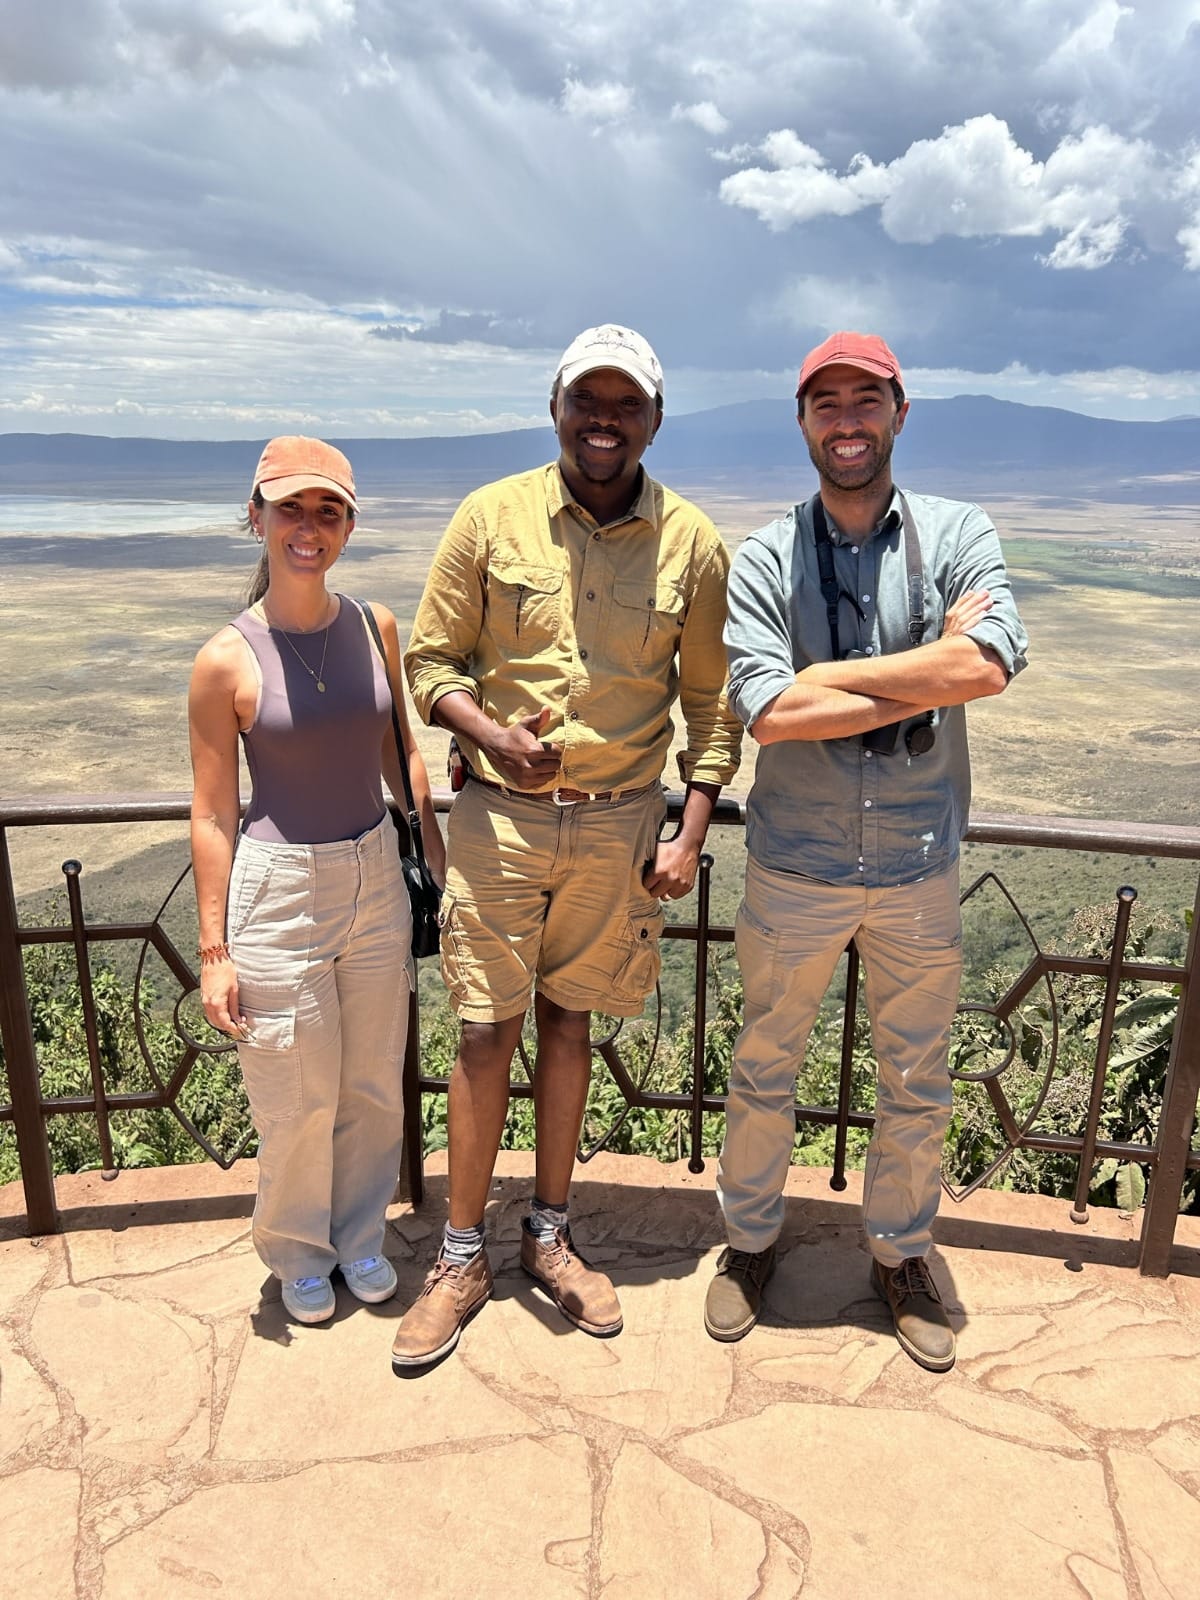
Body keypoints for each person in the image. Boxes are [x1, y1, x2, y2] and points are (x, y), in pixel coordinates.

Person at [393, 324, 742, 1368]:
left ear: (654, 420)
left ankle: (548, 1234)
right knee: (481, 1033)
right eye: (585, 400)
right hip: (498, 817)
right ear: (555, 409)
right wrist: (486, 731)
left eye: (624, 403)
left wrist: (690, 829)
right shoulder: (488, 518)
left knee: (567, 1025)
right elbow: (431, 659)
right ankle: (460, 1256)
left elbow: (711, 704)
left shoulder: (693, 543)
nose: (603, 419)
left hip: (617, 822)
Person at [705, 332, 1028, 1370]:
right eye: (826, 404)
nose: (847, 421)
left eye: (865, 401)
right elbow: (770, 711)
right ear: (803, 422)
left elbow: (988, 668)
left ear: (899, 410)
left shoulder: (958, 531)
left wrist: (838, 682)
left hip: (917, 867)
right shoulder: (764, 555)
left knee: (918, 1081)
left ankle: (899, 1254)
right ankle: (749, 1243)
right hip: (795, 862)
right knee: (764, 1067)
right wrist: (922, 664)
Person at [188, 436, 444, 1325]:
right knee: (297, 1093)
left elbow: (401, 756)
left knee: (374, 1081)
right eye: (289, 508)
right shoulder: (227, 659)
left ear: (348, 526)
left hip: (375, 871)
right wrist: (215, 949)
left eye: (327, 510)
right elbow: (214, 814)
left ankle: (359, 1234)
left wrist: (433, 871)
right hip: (279, 890)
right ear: (255, 518)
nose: (308, 528)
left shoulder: (377, 627)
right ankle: (298, 1252)